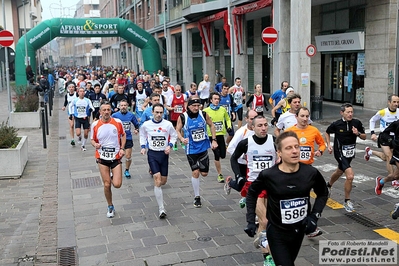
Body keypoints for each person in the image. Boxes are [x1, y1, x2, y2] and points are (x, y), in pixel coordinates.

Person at [244, 131, 328, 266]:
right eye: (288, 148)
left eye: (297, 147)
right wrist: (250, 220)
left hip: (299, 230)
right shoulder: (269, 175)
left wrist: (314, 217)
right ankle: (266, 241)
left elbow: (323, 193)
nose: (294, 151)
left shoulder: (311, 173)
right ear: (279, 153)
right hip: (277, 231)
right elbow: (252, 193)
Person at [231, 115, 278, 264]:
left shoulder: (274, 141)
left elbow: (284, 155)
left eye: (265, 125)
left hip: (271, 185)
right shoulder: (246, 143)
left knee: (273, 221)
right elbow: (233, 158)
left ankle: (262, 237)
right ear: (253, 126)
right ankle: (267, 257)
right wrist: (238, 176)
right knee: (263, 221)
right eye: (260, 126)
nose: (263, 128)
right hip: (254, 186)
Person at [175, 96, 218, 208]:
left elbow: (212, 125)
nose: (195, 108)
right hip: (191, 149)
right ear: (188, 106)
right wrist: (181, 138)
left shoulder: (203, 115)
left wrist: (214, 140)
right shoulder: (183, 117)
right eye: (193, 106)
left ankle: (200, 172)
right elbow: (177, 130)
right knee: (195, 172)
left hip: (203, 147)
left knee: (204, 173)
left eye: (197, 105)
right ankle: (197, 197)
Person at [325, 103, 366, 212]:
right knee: (350, 176)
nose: (350, 114)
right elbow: (327, 132)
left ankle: (328, 185)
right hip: (339, 153)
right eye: (348, 112)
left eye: (352, 112)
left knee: (339, 171)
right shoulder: (337, 124)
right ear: (342, 113)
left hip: (350, 153)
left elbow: (364, 136)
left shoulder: (357, 123)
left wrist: (357, 133)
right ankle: (347, 201)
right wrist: (328, 145)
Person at [140, 103, 178, 218]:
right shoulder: (146, 125)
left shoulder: (168, 124)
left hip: (163, 154)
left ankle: (156, 178)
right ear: (152, 112)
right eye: (156, 112)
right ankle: (161, 208)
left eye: (161, 112)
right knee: (157, 180)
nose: (159, 114)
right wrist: (143, 147)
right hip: (152, 153)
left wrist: (170, 145)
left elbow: (174, 135)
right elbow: (142, 135)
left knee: (163, 181)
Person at [91, 101, 126, 218]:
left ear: (111, 111)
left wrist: (122, 148)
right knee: (107, 185)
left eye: (108, 110)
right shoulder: (95, 125)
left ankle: (113, 177)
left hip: (115, 157)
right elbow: (92, 140)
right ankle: (110, 206)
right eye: (104, 110)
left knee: (117, 184)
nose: (106, 112)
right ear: (100, 112)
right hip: (102, 157)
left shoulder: (117, 122)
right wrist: (95, 144)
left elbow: (123, 135)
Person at [365, 94, 399, 178]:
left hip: (394, 137)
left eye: (398, 102)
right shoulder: (383, 112)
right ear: (389, 102)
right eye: (394, 102)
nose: (396, 104)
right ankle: (393, 178)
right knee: (389, 156)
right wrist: (372, 132)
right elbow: (372, 120)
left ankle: (370, 152)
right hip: (384, 136)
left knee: (385, 157)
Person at [226, 110, 258, 197]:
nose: (254, 120)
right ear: (246, 119)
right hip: (242, 164)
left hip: (255, 163)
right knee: (241, 185)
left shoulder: (259, 130)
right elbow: (230, 148)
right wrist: (243, 156)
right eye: (251, 119)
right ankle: (231, 183)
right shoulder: (241, 132)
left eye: (256, 118)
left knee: (253, 185)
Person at [203, 92, 232, 183]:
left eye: (218, 99)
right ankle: (220, 174)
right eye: (215, 99)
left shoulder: (223, 109)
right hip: (211, 136)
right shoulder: (206, 111)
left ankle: (218, 160)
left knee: (222, 155)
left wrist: (229, 126)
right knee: (216, 154)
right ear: (211, 100)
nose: (216, 100)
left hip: (220, 134)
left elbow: (227, 118)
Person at [112, 99, 139, 179]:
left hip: (128, 138)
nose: (123, 107)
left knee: (128, 155)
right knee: (117, 156)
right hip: (117, 139)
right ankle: (114, 170)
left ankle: (127, 170)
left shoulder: (131, 115)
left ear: (127, 106)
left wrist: (136, 129)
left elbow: (136, 124)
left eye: (125, 105)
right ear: (119, 106)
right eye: (122, 105)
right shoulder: (114, 115)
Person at [374, 120, 399, 195]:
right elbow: (385, 133)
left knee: (395, 176)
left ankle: (381, 181)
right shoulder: (396, 123)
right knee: (387, 156)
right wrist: (392, 142)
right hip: (398, 152)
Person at [166, 84, 187, 151]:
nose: (178, 91)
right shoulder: (171, 97)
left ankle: (182, 141)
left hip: (182, 116)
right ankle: (175, 143)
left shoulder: (184, 96)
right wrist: (172, 108)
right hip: (174, 117)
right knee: (175, 131)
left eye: (179, 90)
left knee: (182, 130)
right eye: (177, 90)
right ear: (174, 90)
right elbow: (167, 107)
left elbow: (186, 104)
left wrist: (186, 109)